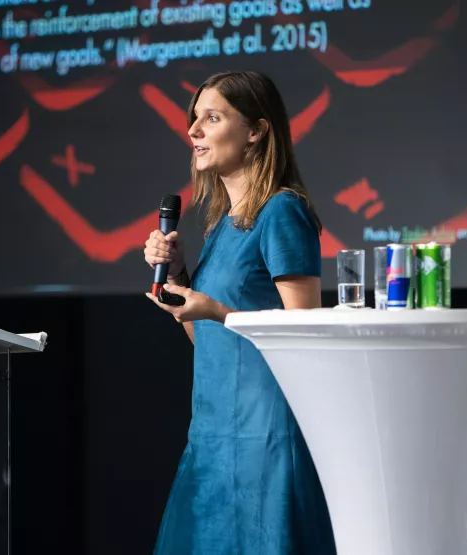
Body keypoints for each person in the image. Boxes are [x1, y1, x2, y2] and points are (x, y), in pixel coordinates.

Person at [144, 71, 336, 554]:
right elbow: (208, 340)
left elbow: (304, 334)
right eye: (194, 118)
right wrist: (180, 281)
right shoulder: (221, 227)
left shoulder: (282, 211)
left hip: (264, 435)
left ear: (256, 130)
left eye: (212, 118)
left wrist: (217, 310)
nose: (193, 130)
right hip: (211, 434)